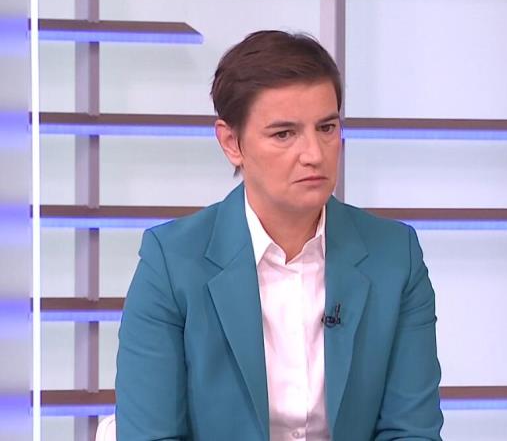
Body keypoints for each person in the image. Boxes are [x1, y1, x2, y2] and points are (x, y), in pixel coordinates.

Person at [115, 30, 443, 441]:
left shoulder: (395, 257)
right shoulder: (171, 262)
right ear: (231, 143)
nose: (314, 154)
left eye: (327, 127)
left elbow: (411, 430)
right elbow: (152, 434)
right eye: (284, 134)